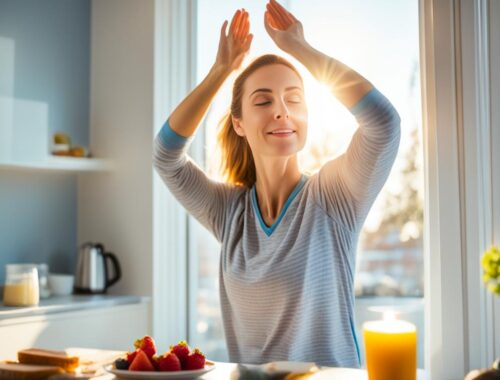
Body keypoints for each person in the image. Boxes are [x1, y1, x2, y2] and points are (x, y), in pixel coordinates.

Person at [153, 0, 400, 368]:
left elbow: (383, 124)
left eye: (294, 99)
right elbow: (166, 155)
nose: (282, 110)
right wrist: (221, 70)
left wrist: (299, 48)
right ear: (239, 122)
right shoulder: (230, 212)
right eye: (263, 100)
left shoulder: (333, 197)